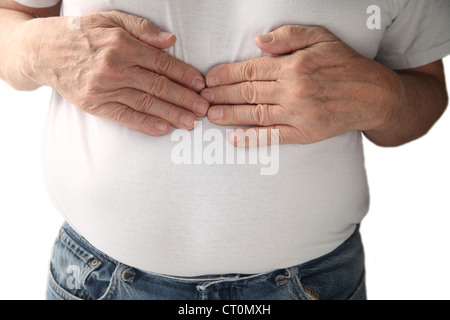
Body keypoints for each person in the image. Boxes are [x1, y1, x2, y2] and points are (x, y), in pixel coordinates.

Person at [0, 0, 448, 300]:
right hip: (98, 279)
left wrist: (380, 96)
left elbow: (423, 97)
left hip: (313, 283)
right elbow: (11, 16)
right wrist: (37, 49)